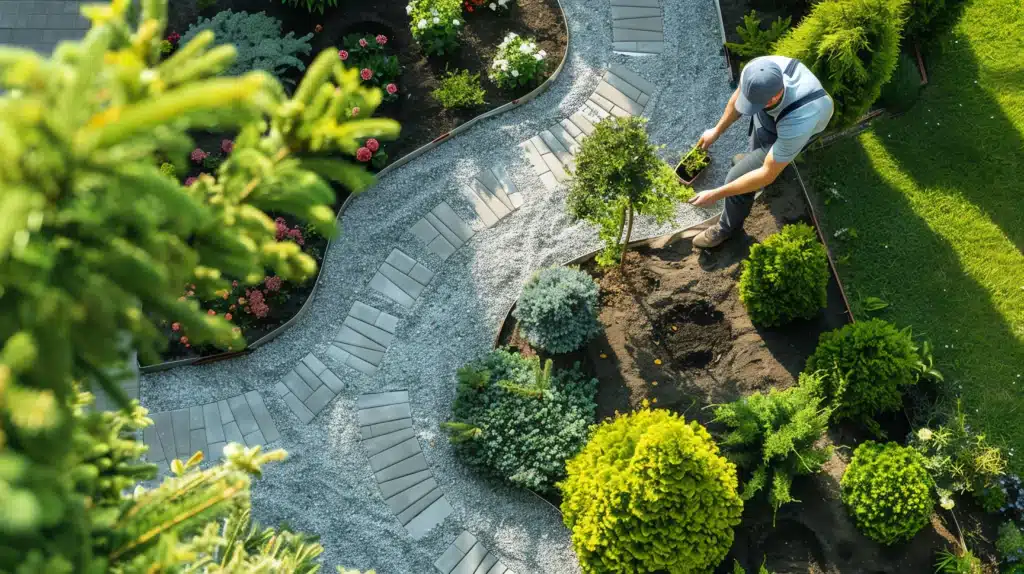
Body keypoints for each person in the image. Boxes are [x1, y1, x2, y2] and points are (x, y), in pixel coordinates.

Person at [688, 56, 834, 248]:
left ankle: (727, 229)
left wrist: (716, 194)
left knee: (736, 177)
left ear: (774, 97)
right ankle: (753, 167)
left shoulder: (801, 118)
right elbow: (738, 99)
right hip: (777, 115)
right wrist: (716, 130)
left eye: (755, 104)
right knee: (756, 144)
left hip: (794, 126)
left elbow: (767, 174)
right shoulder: (756, 72)